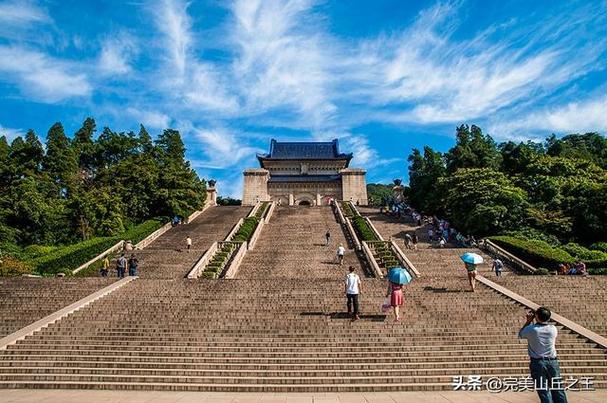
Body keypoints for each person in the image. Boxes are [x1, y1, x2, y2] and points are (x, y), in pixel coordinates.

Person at [519, 307, 568, 403]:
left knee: (543, 390)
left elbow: (521, 334)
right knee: (558, 389)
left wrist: (529, 321)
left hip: (538, 363)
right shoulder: (553, 329)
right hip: (552, 362)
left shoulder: (531, 329)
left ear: (536, 317)